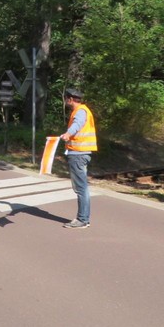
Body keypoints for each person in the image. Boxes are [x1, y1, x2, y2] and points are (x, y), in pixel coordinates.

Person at [59, 87, 97, 229]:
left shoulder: (80, 111)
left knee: (81, 188)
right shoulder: (83, 110)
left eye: (66, 99)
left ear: (70, 99)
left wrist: (68, 134)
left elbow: (77, 124)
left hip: (78, 154)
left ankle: (82, 220)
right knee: (82, 188)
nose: (65, 101)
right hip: (81, 153)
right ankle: (83, 218)